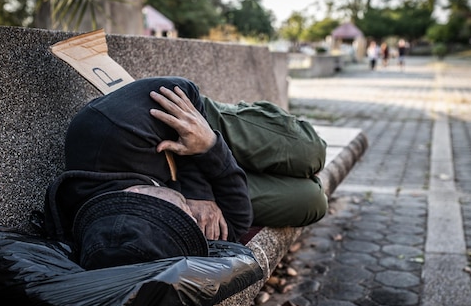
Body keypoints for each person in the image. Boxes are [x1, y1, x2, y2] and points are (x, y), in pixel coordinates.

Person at [43, 76, 327, 270]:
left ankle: (261, 126)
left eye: (178, 214)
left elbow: (181, 89)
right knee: (311, 201)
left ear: (138, 194)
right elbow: (237, 225)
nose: (190, 217)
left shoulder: (108, 132)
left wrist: (198, 190)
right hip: (211, 155)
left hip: (195, 118)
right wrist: (212, 150)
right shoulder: (150, 234)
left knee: (311, 152)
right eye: (184, 223)